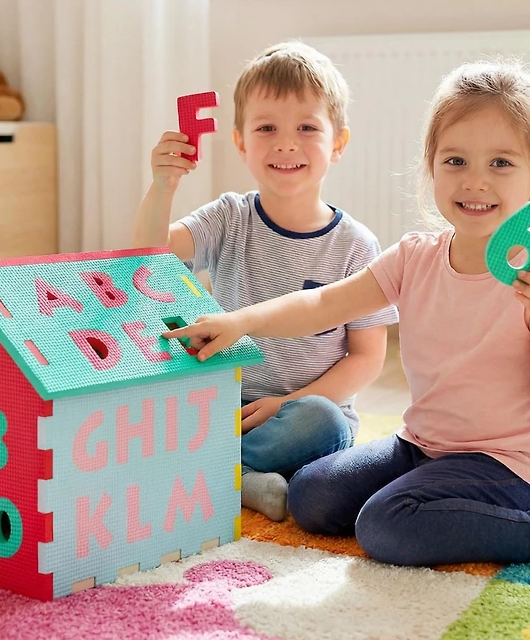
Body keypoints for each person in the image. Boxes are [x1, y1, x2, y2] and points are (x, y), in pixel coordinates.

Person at [163, 59, 530, 574]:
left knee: (386, 525)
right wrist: (241, 322)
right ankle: (430, 498)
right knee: (312, 497)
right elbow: (323, 304)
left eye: (501, 163)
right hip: (423, 446)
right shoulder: (415, 256)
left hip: (511, 469)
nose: (475, 182)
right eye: (455, 161)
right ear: (431, 166)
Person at [132, 41, 398, 521]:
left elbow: (367, 358)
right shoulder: (229, 216)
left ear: (338, 143)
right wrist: (163, 186)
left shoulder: (357, 245)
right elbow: (148, 260)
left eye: (307, 128)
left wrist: (284, 405)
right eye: (267, 128)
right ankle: (238, 477)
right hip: (222, 403)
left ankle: (217, 471)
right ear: (241, 142)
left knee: (324, 422)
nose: (286, 143)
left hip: (299, 413)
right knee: (144, 405)